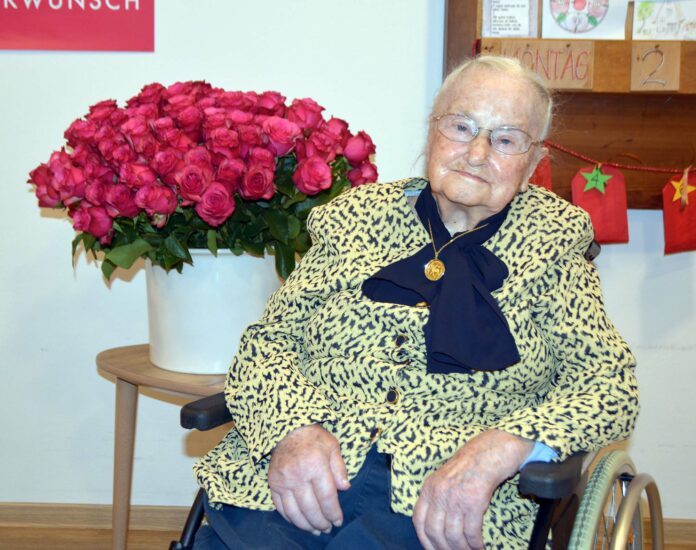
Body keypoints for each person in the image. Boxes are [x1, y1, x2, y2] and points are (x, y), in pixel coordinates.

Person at [193, 55, 639, 549]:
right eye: (461, 126)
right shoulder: (354, 219)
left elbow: (608, 383)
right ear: (432, 131)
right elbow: (268, 343)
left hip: (442, 505)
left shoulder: (553, 241)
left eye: (506, 139)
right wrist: (293, 432)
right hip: (304, 476)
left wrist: (501, 449)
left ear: (533, 163)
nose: (476, 153)